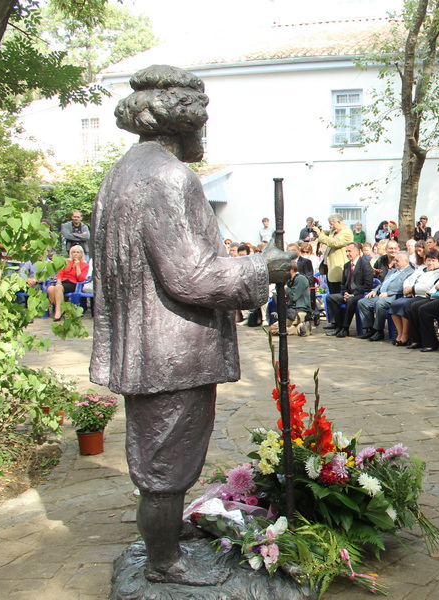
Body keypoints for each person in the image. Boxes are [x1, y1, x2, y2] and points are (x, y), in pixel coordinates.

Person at [89, 65, 296, 585]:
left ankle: (166, 540)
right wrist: (260, 270)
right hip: (172, 346)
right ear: (185, 122)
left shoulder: (125, 171)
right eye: (202, 122)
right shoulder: (168, 177)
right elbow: (189, 276)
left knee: (161, 451)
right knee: (168, 461)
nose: (205, 133)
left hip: (148, 343)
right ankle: (164, 564)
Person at [389, 249, 439, 346]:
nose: (430, 263)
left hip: (423, 296)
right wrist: (407, 288)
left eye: (433, 260)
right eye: (429, 260)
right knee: (394, 304)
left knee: (407, 305)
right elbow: (409, 279)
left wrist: (412, 289)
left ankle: (407, 336)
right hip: (410, 294)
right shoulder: (421, 269)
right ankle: (400, 333)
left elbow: (427, 287)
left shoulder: (438, 272)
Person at [357, 251, 414, 341]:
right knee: (362, 302)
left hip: (395, 296)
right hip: (381, 294)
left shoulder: (410, 272)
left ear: (406, 261)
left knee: (380, 304)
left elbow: (404, 287)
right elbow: (383, 283)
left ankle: (378, 331)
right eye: (395, 260)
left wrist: (389, 293)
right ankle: (370, 329)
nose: (394, 262)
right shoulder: (393, 271)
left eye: (397, 261)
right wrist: (375, 290)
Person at [324, 243, 375, 337]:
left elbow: (368, 285)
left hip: (360, 294)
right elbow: (343, 283)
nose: (347, 253)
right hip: (348, 293)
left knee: (350, 300)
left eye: (349, 251)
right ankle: (337, 326)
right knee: (331, 298)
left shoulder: (365, 264)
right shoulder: (347, 265)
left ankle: (345, 328)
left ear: (358, 252)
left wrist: (354, 294)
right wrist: (345, 293)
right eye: (346, 251)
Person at [313, 213, 353, 295]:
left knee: (337, 294)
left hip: (338, 268)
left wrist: (320, 235)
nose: (331, 226)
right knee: (332, 293)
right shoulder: (334, 231)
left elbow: (335, 242)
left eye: (332, 224)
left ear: (339, 222)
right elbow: (326, 233)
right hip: (330, 268)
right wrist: (318, 230)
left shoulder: (346, 232)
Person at [47, 245, 89, 320]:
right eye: (73, 252)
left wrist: (77, 267)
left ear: (81, 254)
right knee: (50, 288)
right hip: (63, 282)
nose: (75, 254)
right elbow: (60, 273)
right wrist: (59, 282)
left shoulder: (85, 265)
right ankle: (62, 310)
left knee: (58, 287)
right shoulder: (67, 262)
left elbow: (81, 279)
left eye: (77, 252)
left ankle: (58, 313)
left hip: (74, 284)